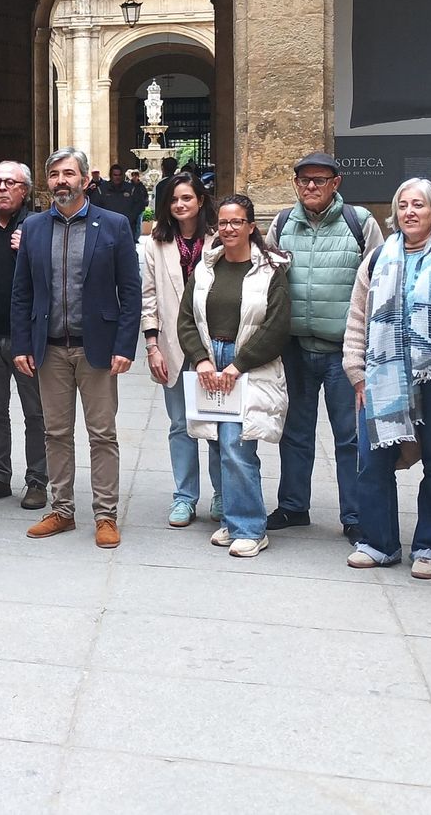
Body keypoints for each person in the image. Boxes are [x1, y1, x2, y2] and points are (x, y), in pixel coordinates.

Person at [342, 178, 431, 578]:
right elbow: (357, 319)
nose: (409, 212)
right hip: (384, 377)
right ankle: (378, 542)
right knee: (372, 462)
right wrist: (357, 374)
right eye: (403, 205)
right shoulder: (376, 259)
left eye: (418, 205)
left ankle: (430, 546)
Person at [13, 147, 142, 549]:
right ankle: (62, 510)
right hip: (49, 348)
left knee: (102, 434)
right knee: (55, 432)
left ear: (85, 180)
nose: (60, 181)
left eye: (68, 173)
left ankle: (105, 515)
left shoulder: (114, 225)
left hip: (97, 348)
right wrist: (22, 344)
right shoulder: (33, 227)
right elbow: (22, 292)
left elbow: (131, 290)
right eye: (54, 175)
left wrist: (125, 344)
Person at [266, 151, 384, 545]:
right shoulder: (282, 223)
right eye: (304, 181)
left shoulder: (360, 223)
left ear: (336, 183)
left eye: (319, 180)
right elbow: (265, 278)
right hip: (295, 348)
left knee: (349, 437)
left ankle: (354, 514)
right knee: (294, 433)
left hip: (343, 352)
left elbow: (378, 285)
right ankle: (293, 505)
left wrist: (368, 350)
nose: (310, 187)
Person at [177, 193, 290, 558]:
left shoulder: (271, 270)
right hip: (211, 362)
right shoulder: (206, 268)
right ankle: (233, 519)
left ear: (251, 226)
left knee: (238, 447)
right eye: (223, 223)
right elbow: (186, 320)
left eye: (236, 222)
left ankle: (251, 528)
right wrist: (201, 360)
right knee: (216, 444)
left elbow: (276, 326)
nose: (228, 228)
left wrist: (238, 365)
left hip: (247, 364)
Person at [141, 171, 221, 528]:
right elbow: (149, 298)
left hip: (214, 345)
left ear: (200, 201)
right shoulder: (156, 243)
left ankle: (223, 494)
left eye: (186, 198)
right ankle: (185, 497)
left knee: (219, 423)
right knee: (179, 425)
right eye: (173, 200)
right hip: (173, 346)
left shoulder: (218, 239)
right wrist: (152, 345)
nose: (179, 205)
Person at [0, 161, 48, 510]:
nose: (3, 188)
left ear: (25, 190)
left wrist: (32, 250)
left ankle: (37, 480)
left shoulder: (40, 227)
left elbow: (58, 275)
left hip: (29, 339)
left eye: (11, 182)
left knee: (36, 414)